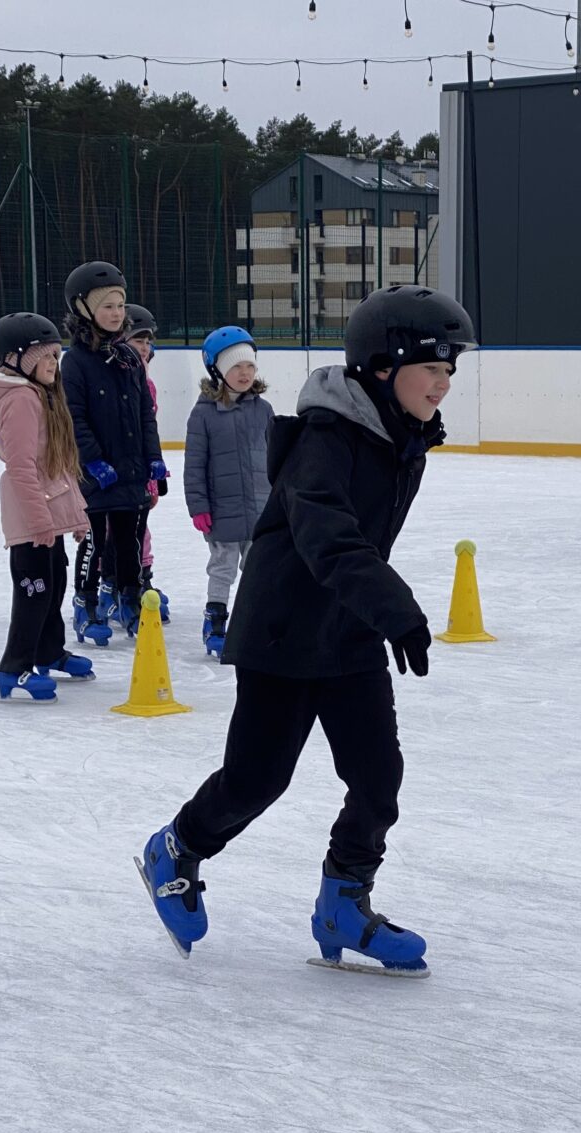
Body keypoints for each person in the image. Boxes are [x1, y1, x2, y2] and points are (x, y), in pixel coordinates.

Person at [136, 285, 477, 977]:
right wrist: (398, 609)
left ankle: (343, 904)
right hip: (284, 632)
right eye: (432, 368)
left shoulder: (398, 434)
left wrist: (375, 612)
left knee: (378, 778)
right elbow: (330, 540)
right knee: (257, 780)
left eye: (451, 371)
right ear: (384, 368)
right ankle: (176, 848)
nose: (444, 385)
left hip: (346, 632)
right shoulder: (326, 441)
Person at [0, 312, 92, 702]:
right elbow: (22, 468)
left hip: (47, 513)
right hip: (32, 516)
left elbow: (56, 466)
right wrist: (40, 520)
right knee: (34, 591)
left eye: (56, 356)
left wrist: (73, 516)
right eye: (44, 356)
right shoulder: (21, 399)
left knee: (54, 583)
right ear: (17, 360)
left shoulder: (41, 395)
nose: (53, 364)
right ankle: (14, 667)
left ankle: (48, 651)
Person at [61, 261, 167, 644]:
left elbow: (144, 414)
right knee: (92, 541)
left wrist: (153, 457)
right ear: (84, 308)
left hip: (131, 468)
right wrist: (92, 461)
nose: (116, 313)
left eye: (120, 305)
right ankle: (86, 603)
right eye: (107, 305)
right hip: (97, 472)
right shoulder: (74, 363)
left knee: (129, 541)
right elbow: (75, 417)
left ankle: (130, 600)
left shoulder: (128, 359)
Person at [184, 326, 274, 657]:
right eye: (236, 366)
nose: (245, 373)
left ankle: (254, 622)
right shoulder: (204, 413)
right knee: (222, 567)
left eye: (250, 366)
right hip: (221, 510)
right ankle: (216, 621)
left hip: (261, 508)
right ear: (217, 370)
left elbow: (274, 458)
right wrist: (199, 507)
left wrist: (280, 500)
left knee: (258, 569)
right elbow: (194, 465)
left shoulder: (263, 410)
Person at [99, 303, 170, 627]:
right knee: (111, 532)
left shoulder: (148, 384)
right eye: (137, 340)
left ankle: (142, 579)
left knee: (139, 530)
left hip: (138, 472)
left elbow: (147, 430)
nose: (144, 347)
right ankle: (108, 586)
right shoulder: (109, 378)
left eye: (147, 341)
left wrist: (153, 476)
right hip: (110, 472)